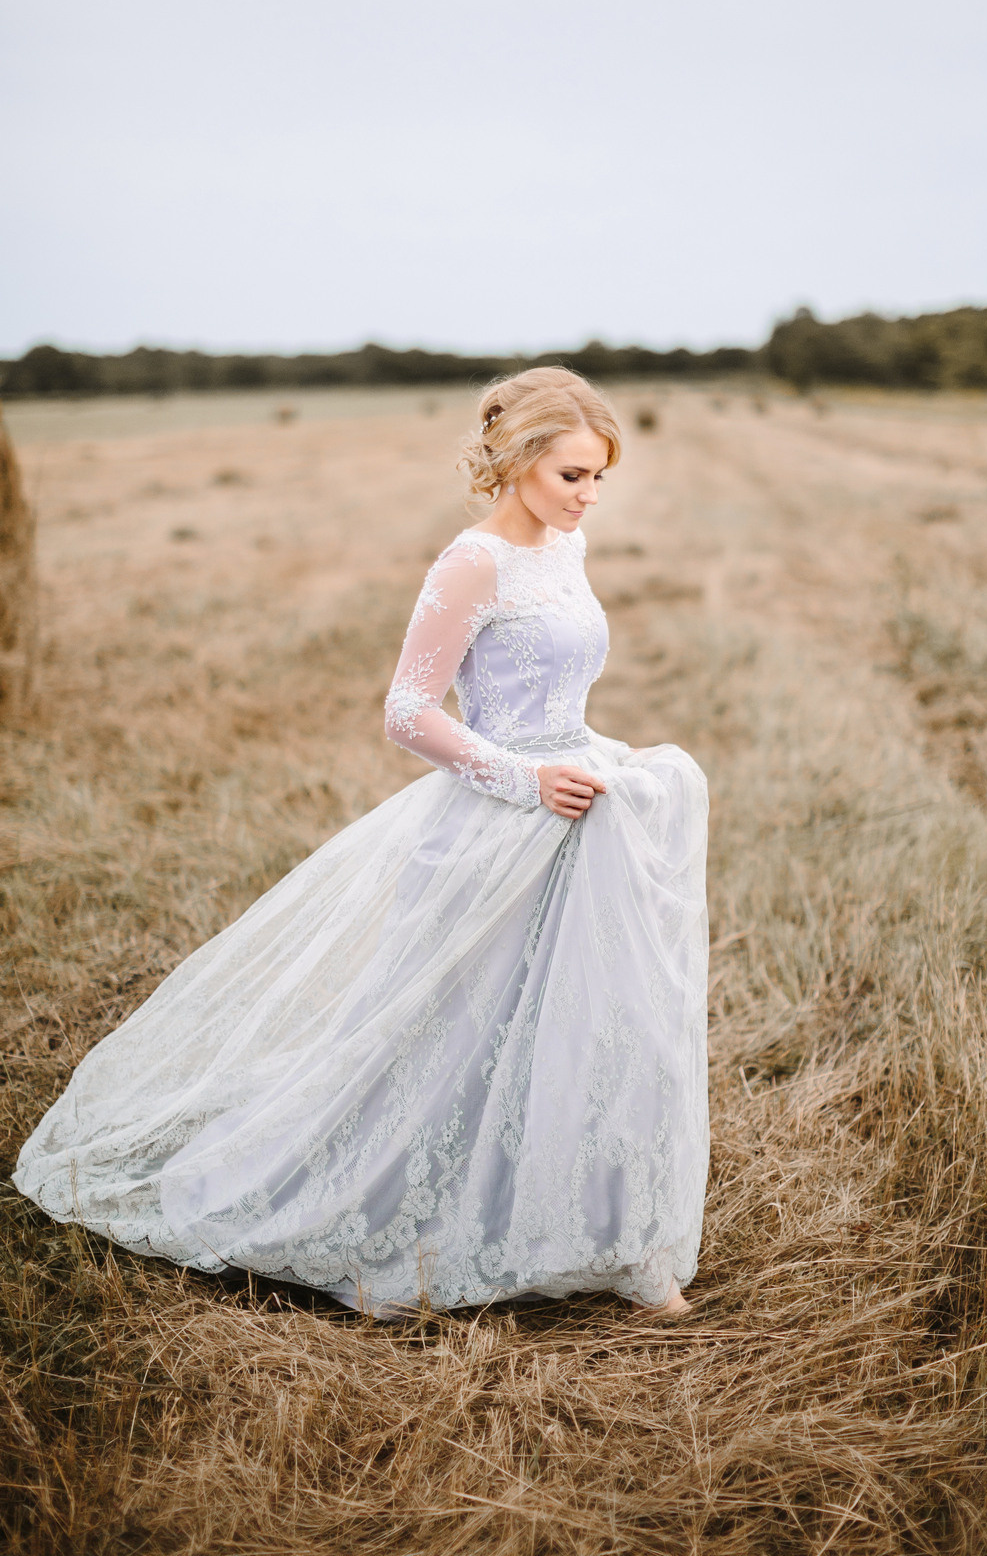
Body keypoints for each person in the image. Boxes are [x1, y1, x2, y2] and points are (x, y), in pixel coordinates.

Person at [13, 368, 710, 1319]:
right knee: (448, 1031)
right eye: (572, 477)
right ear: (514, 462)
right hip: (496, 818)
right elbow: (407, 712)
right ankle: (390, 1211)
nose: (588, 497)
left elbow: (555, 695)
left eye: (599, 479)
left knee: (580, 1021)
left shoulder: (565, 548)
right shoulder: (469, 564)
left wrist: (594, 759)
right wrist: (524, 778)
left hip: (576, 812)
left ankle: (596, 1230)